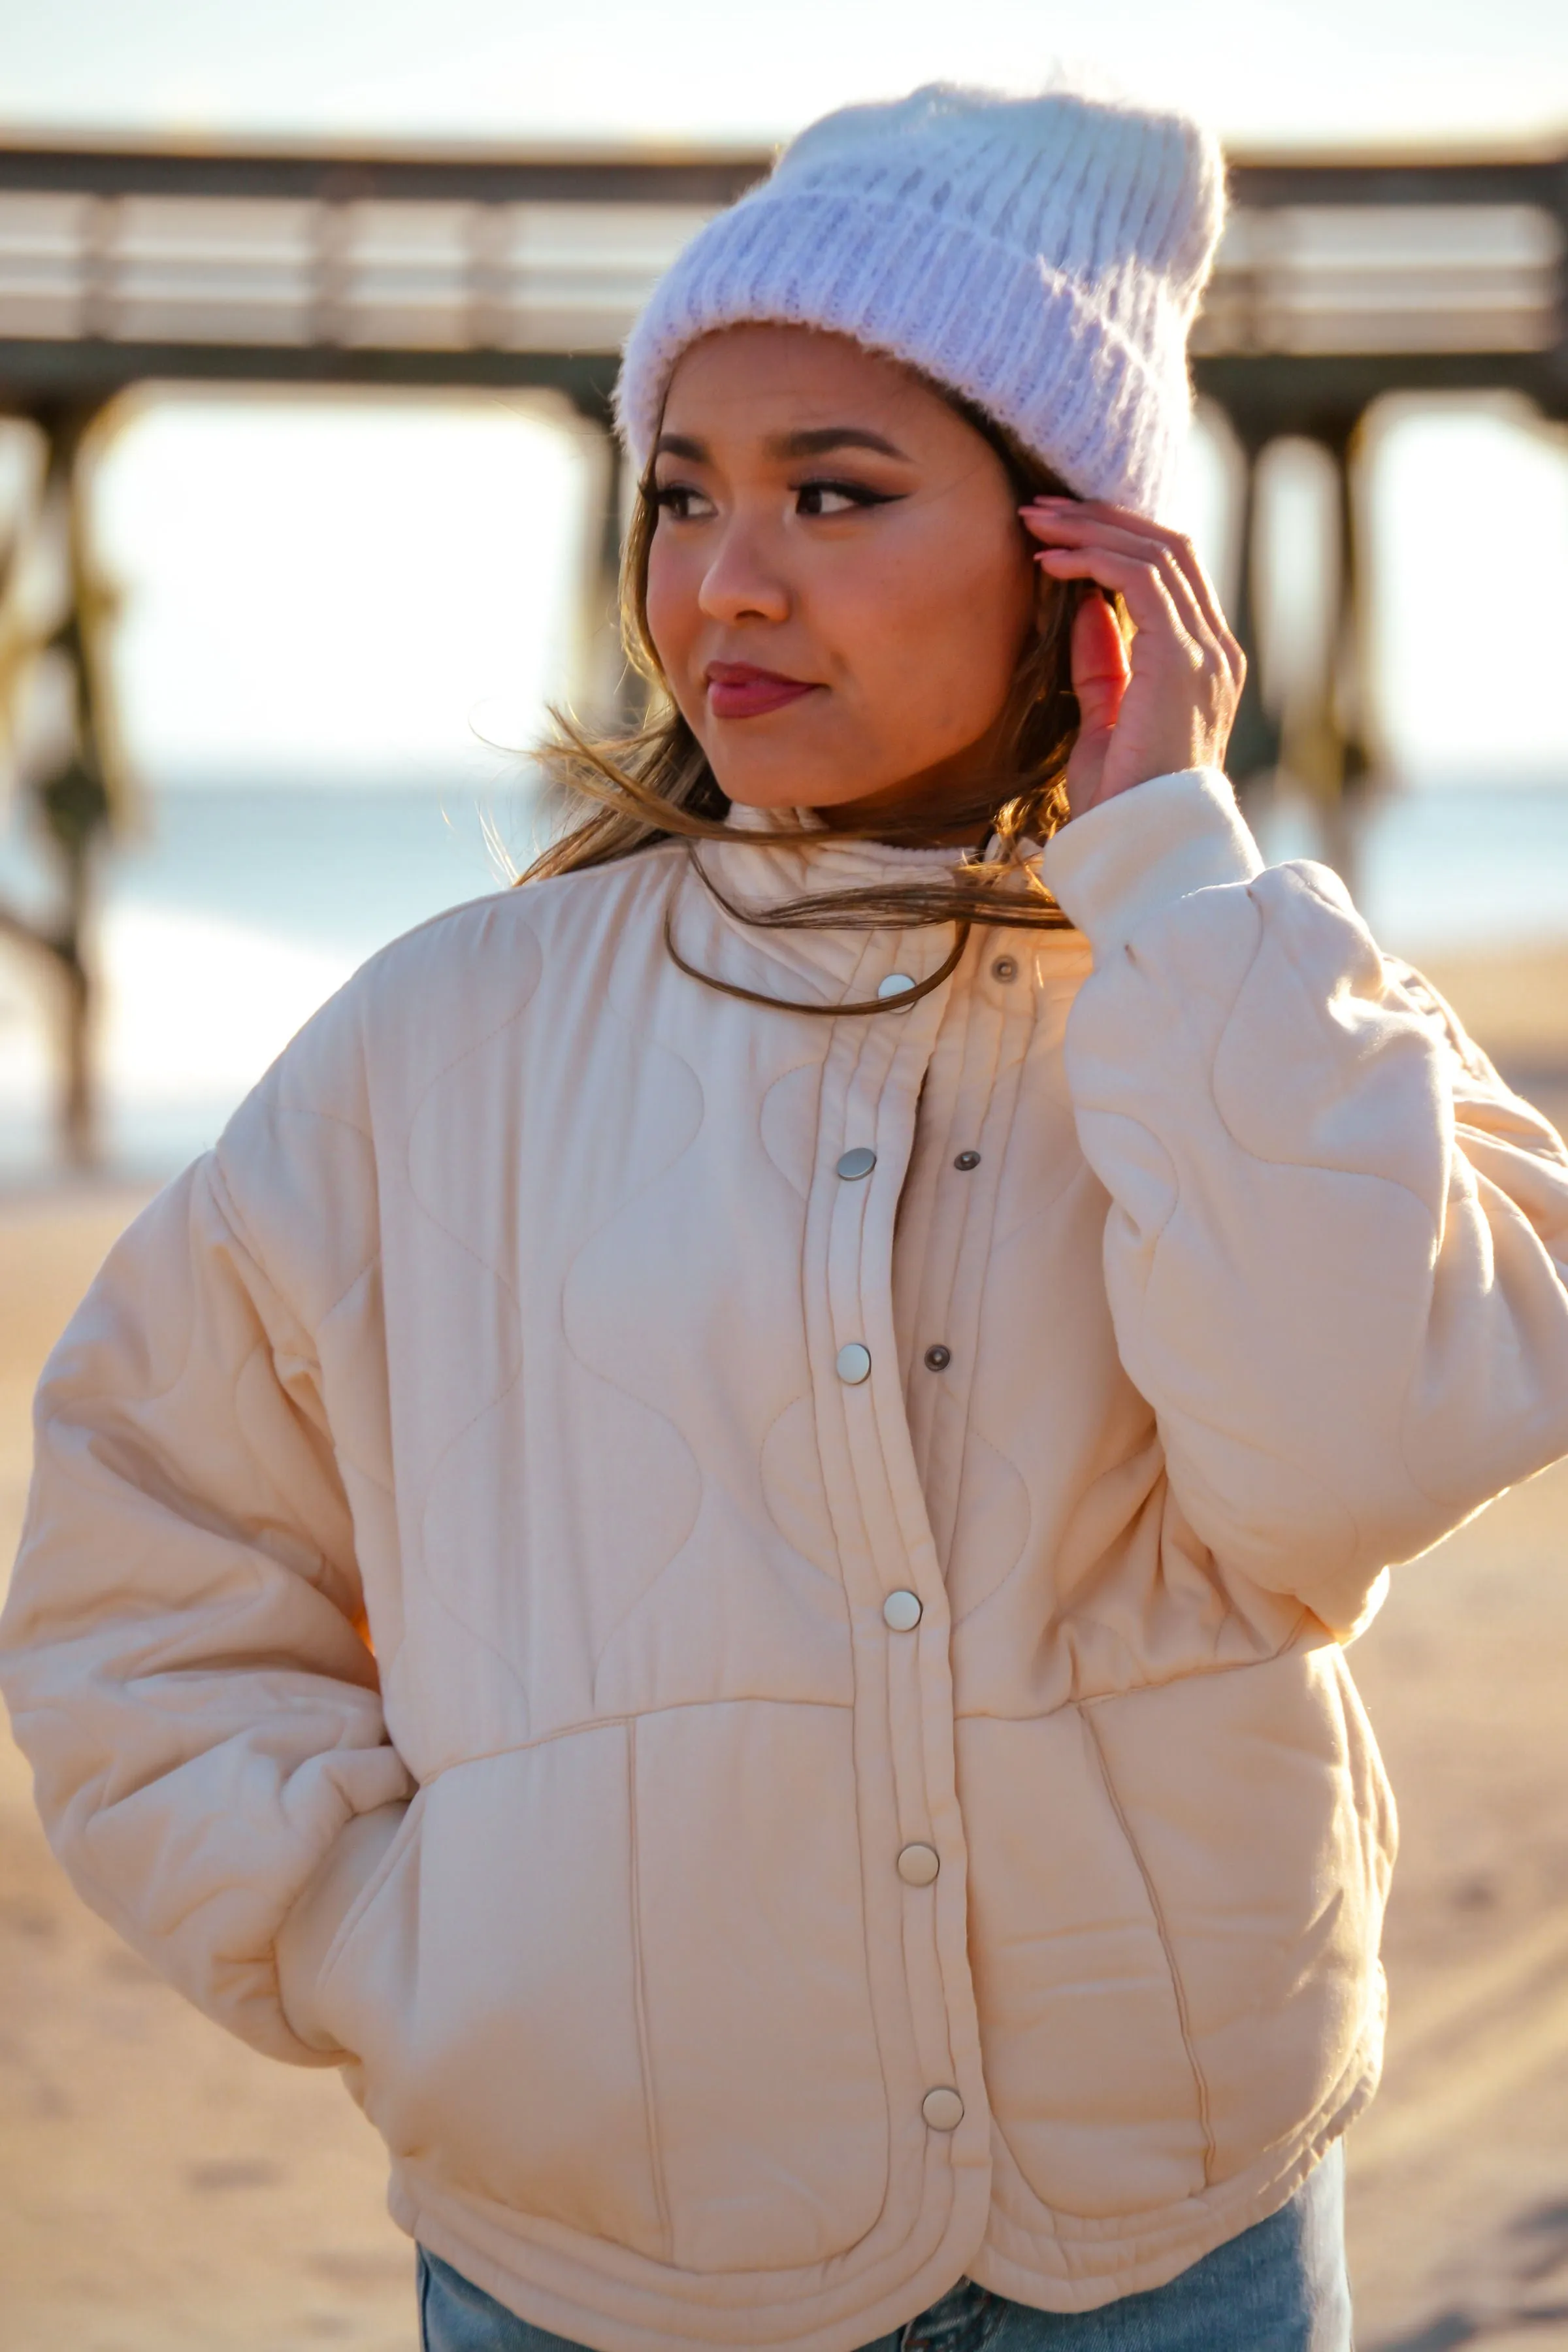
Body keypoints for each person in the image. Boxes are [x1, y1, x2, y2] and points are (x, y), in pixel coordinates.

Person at [5, 82, 1568, 2352]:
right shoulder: (442, 1040)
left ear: (1080, 555)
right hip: (596, 2265)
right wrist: (393, 1940)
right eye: (682, 495)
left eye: (834, 494)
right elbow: (142, 1559)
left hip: (1165, 2245)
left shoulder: (1252, 996)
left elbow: (1350, 1460)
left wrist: (1173, 872)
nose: (727, 577)